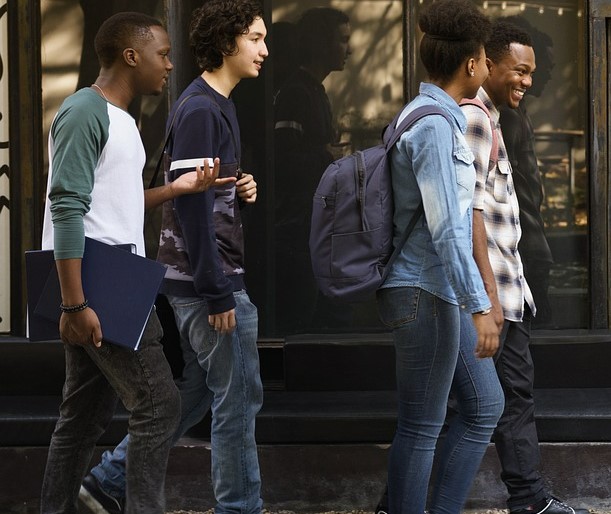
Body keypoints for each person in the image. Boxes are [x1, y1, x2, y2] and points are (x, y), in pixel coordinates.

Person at [78, 2, 267, 514]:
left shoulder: (214, 105)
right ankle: (240, 507)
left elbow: (204, 194)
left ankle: (106, 481)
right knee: (239, 401)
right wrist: (216, 289)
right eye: (254, 38)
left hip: (201, 281)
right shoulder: (203, 108)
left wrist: (237, 186)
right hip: (209, 284)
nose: (264, 50)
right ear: (227, 43)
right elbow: (189, 208)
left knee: (202, 394)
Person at [39, 11, 231, 514]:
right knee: (160, 406)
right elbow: (67, 208)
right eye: (162, 54)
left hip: (108, 276)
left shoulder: (120, 118)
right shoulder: (85, 111)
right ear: (131, 55)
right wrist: (74, 303)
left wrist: (177, 188)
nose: (169, 65)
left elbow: (113, 200)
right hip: (100, 280)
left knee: (82, 418)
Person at [375, 1, 504, 512]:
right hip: (424, 292)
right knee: (421, 425)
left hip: (436, 290)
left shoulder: (431, 115)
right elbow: (449, 230)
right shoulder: (434, 125)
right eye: (484, 60)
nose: (487, 69)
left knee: (485, 404)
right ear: (471, 64)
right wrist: (481, 306)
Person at [462, 19, 589, 514]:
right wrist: (487, 302)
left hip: (507, 295)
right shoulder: (477, 120)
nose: (527, 82)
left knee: (504, 399)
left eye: (533, 74)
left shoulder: (498, 119)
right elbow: (467, 217)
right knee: (468, 407)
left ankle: (529, 498)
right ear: (487, 63)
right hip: (490, 298)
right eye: (519, 71)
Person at [273, 7, 352, 334]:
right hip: (298, 228)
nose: (349, 49)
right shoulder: (296, 93)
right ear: (321, 44)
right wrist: (327, 155)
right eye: (342, 40)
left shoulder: (314, 91)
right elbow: (283, 160)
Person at [498, 16, 555, 328]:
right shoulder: (505, 115)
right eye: (525, 69)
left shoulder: (516, 110)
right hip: (521, 245)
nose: (538, 77)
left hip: (528, 241)